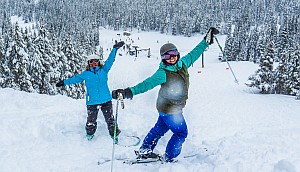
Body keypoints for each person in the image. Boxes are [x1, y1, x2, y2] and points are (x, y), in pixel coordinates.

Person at [111, 27, 219, 162]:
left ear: (178, 54)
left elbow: (195, 53)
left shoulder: (183, 63)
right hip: (170, 109)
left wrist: (206, 42)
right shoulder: (163, 73)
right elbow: (146, 84)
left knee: (159, 130)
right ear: (163, 58)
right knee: (181, 132)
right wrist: (127, 92)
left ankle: (145, 150)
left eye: (173, 54)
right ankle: (169, 157)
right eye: (167, 56)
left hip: (165, 108)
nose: (172, 58)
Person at [56, 41, 125, 141]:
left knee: (110, 119)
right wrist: (63, 82)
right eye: (91, 62)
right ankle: (89, 135)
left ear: (99, 62)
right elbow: (74, 79)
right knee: (91, 121)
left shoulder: (104, 70)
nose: (93, 63)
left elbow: (110, 60)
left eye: (95, 61)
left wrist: (115, 49)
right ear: (89, 63)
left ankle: (115, 136)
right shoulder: (86, 74)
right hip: (92, 101)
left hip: (106, 100)